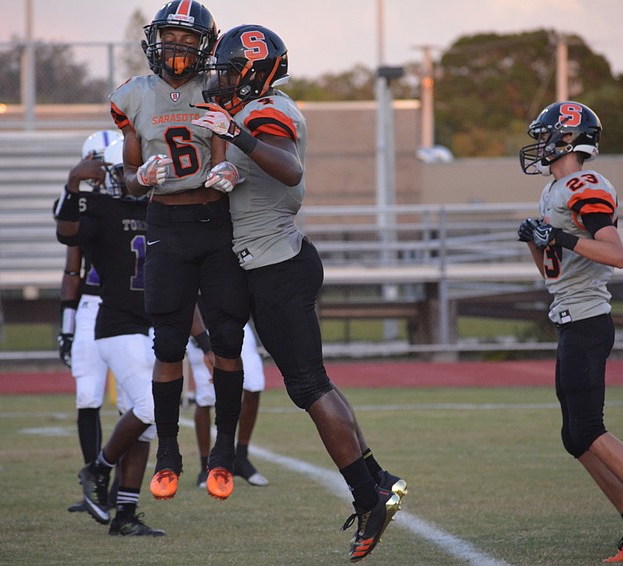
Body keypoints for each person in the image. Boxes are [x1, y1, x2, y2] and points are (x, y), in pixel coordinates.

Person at [192, 24, 405, 562]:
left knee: (309, 387)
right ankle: (376, 478)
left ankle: (367, 496)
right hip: (273, 262)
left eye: (229, 67)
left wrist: (234, 135)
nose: (219, 75)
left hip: (278, 266)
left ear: (254, 71)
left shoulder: (267, 111)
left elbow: (289, 169)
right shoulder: (257, 108)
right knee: (314, 383)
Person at [516, 101, 623, 564]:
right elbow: (552, 274)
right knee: (575, 437)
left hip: (589, 319)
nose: (539, 144)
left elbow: (615, 254)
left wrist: (561, 237)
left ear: (567, 139)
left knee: (590, 428)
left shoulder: (584, 184)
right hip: (569, 314)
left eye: (545, 135)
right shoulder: (555, 189)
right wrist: (538, 242)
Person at [109, 0, 251, 502]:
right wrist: (140, 176)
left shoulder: (218, 89)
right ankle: (168, 453)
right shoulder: (132, 96)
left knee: (228, 340)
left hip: (215, 223)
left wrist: (231, 170)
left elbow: (232, 148)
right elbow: (127, 180)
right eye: (172, 37)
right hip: (165, 221)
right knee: (168, 344)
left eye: (190, 41)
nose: (178, 48)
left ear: (206, 47)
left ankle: (225, 454)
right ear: (155, 40)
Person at [56, 138, 164, 537]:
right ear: (117, 175)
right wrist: (72, 186)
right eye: (130, 172)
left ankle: (125, 516)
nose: (139, 179)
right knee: (150, 408)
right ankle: (98, 469)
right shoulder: (101, 207)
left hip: (153, 326)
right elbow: (67, 234)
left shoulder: (158, 210)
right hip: (117, 325)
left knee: (146, 425)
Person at [56, 130, 122, 514]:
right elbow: (71, 267)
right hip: (92, 308)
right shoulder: (79, 207)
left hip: (133, 309)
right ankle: (96, 486)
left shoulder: (137, 199)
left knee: (134, 403)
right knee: (87, 396)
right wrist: (66, 326)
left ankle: (119, 491)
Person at [188, 318, 269, 488]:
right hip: (203, 329)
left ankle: (241, 457)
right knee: (206, 397)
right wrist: (204, 343)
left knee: (254, 384)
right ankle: (206, 467)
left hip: (235, 322)